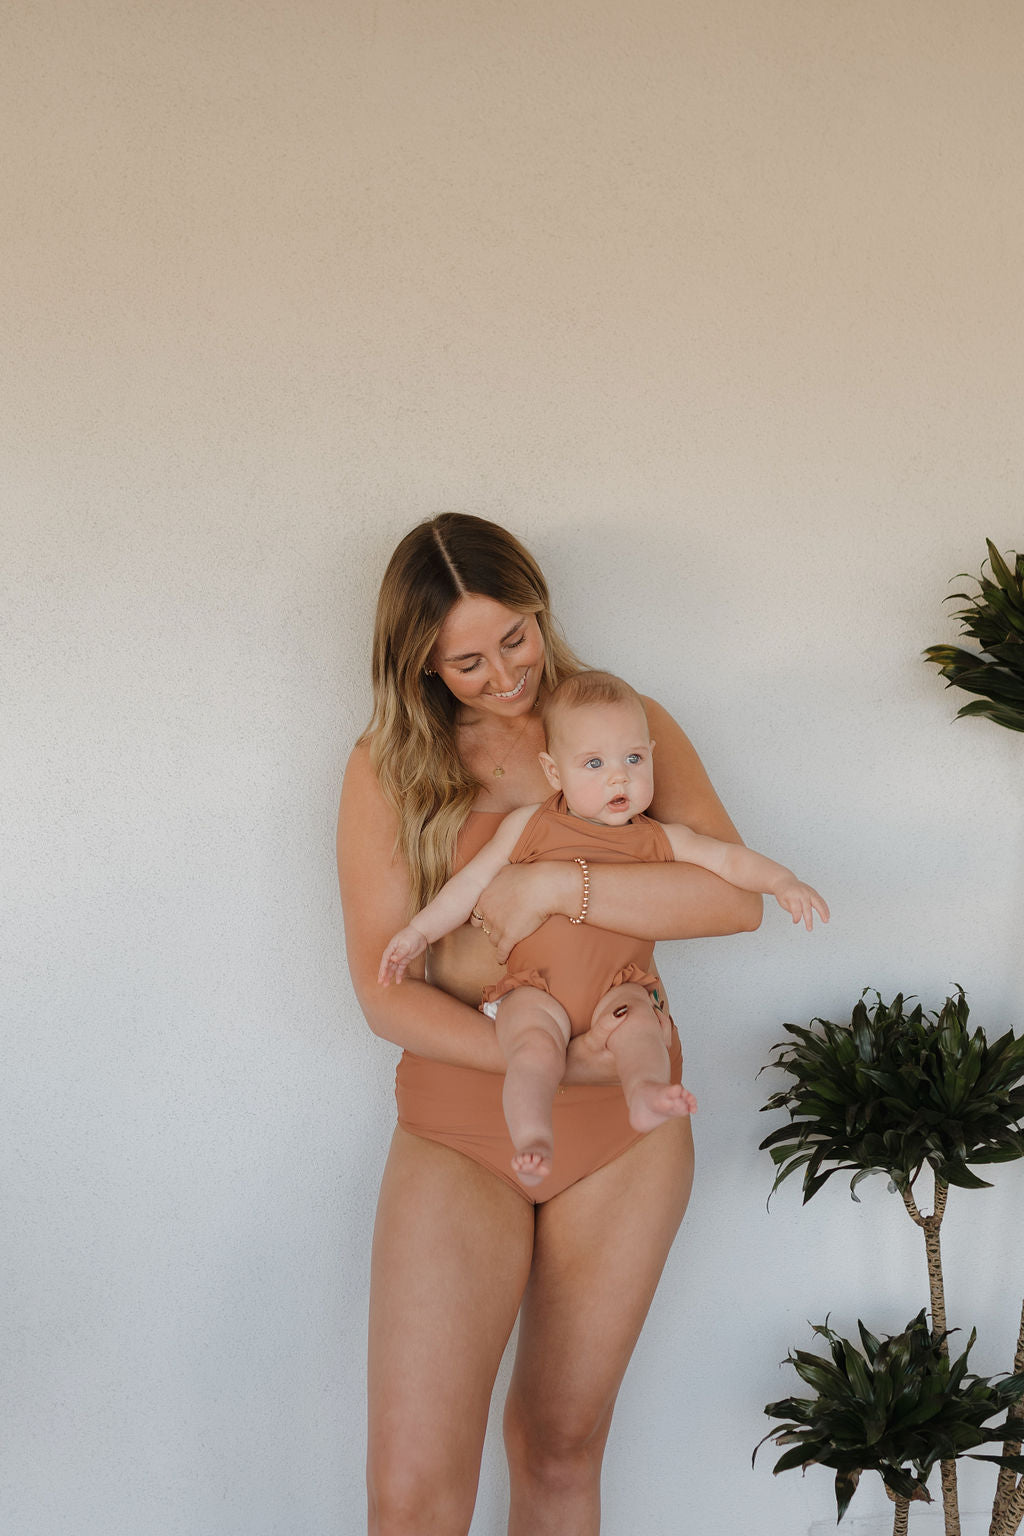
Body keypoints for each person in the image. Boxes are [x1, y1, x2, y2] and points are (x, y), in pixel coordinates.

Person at [338, 513, 763, 1536]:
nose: (503, 676)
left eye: (515, 640)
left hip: (623, 1138)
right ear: (423, 667)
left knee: (560, 1448)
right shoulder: (387, 768)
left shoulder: (620, 723)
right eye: (467, 662)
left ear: (539, 606)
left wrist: (555, 885)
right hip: (459, 1128)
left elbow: (728, 899)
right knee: (410, 1493)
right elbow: (384, 993)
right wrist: (547, 1066)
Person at [377, 670, 828, 1189]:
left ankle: (646, 1096)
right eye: (594, 764)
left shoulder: (659, 837)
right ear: (554, 771)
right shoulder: (530, 824)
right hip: (534, 990)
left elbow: (730, 862)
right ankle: (532, 1134)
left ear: (651, 755)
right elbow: (467, 888)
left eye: (633, 760)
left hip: (618, 989)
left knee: (639, 1030)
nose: (619, 778)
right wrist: (417, 933)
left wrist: (783, 881)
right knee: (529, 1050)